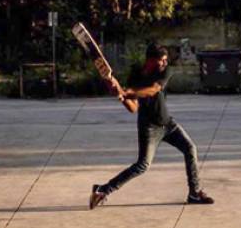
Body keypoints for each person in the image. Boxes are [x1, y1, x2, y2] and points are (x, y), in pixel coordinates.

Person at [89, 43, 214, 210]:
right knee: (142, 166)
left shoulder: (165, 72)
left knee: (190, 148)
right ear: (150, 60)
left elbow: (153, 90)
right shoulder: (136, 74)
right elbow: (133, 108)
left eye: (165, 60)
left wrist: (127, 92)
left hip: (168, 124)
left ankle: (194, 193)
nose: (164, 63)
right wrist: (121, 94)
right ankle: (102, 190)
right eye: (161, 60)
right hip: (149, 127)